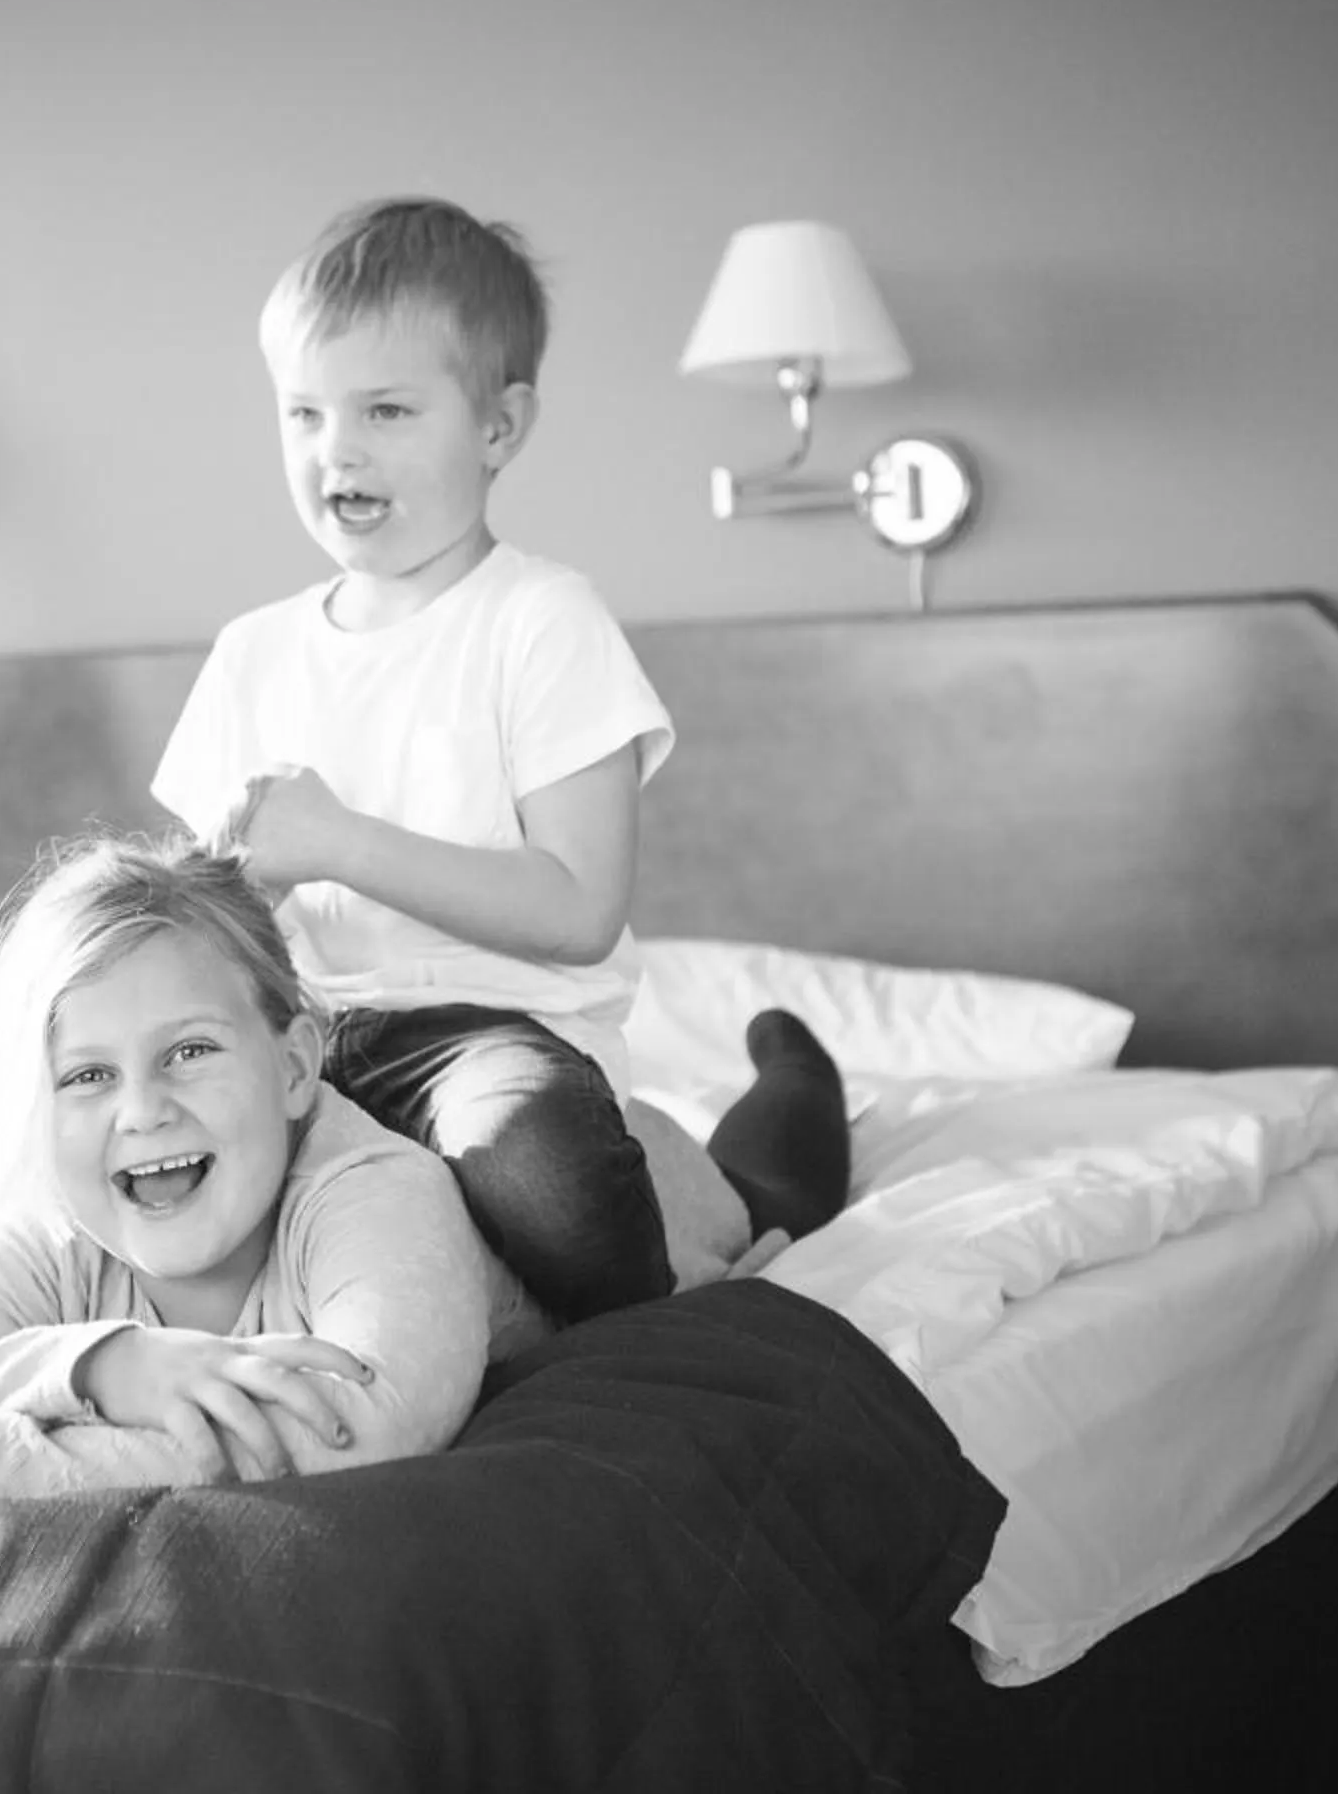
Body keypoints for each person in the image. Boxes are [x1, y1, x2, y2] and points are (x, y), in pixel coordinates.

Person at [150, 197, 851, 1324]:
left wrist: (340, 842)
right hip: (305, 1037)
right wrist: (233, 899)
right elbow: (203, 916)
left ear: (499, 426)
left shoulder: (541, 620)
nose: (338, 450)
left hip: (489, 1037)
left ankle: (760, 1148)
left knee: (556, 1188)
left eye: (386, 409)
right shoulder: (253, 652)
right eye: (305, 413)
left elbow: (579, 908)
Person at [0, 833, 544, 1523]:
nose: (144, 1111)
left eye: (190, 1051)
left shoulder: (378, 1192)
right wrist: (100, 1367)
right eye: (87, 1076)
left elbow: (359, 1430)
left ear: (295, 1066)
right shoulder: (57, 1231)